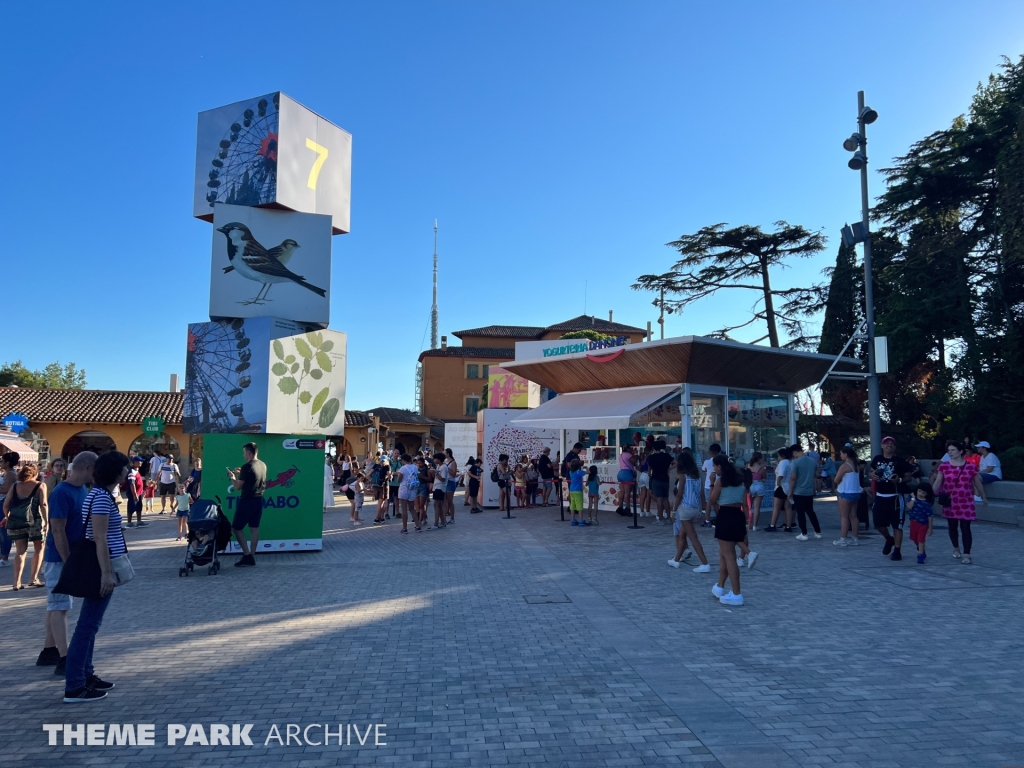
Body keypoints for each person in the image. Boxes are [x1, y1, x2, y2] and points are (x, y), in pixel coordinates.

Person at [62, 450, 129, 703]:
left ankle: (86, 675)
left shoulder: (100, 495)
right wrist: (106, 574)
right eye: (124, 467)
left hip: (101, 564)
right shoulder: (101, 497)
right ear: (115, 471)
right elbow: (98, 537)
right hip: (100, 566)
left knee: (91, 625)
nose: (128, 471)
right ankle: (75, 685)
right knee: (87, 626)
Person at [38, 451, 96, 675]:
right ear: (88, 468)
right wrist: (68, 560)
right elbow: (57, 529)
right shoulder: (62, 492)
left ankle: (49, 649)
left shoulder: (82, 490)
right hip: (58, 557)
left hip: (72, 555)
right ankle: (65, 657)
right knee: (60, 605)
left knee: (57, 604)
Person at [933, 440, 986, 564]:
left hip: (966, 501)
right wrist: (930, 494)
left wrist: (984, 497)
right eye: (949, 450)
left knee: (966, 527)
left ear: (960, 451)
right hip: (951, 501)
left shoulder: (970, 466)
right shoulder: (944, 466)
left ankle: (967, 553)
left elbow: (977, 483)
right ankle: (956, 547)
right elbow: (938, 482)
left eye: (952, 450)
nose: (950, 452)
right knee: (952, 526)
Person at [709, 455, 750, 606]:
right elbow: (744, 499)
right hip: (738, 514)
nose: (714, 469)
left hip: (725, 515)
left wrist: (712, 484)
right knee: (724, 555)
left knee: (729, 557)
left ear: (719, 466)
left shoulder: (721, 482)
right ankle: (720, 587)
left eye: (715, 466)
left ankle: (737, 593)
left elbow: (712, 500)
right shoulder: (740, 481)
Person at [2, 462, 49, 589]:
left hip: (17, 521)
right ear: (35, 473)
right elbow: (43, 504)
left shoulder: (15, 486)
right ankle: (33, 578)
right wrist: (46, 522)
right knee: (39, 548)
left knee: (20, 551)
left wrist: (8, 517)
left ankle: (16, 582)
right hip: (36, 521)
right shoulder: (40, 485)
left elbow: (6, 504)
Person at [870, 436, 913, 561]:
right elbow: (871, 472)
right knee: (878, 524)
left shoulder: (900, 461)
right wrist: (872, 475)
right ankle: (889, 539)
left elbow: (908, 476)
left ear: (895, 447)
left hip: (895, 497)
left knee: (897, 525)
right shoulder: (877, 459)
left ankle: (897, 550)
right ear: (882, 446)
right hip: (880, 496)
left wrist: (899, 479)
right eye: (886, 443)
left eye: (892, 444)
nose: (889, 445)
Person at [667, 451, 711, 573]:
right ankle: (676, 560)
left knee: (693, 537)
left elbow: (679, 494)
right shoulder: (697, 476)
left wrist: (674, 511)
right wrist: (703, 511)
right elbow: (702, 494)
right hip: (695, 507)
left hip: (685, 508)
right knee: (683, 534)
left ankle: (704, 563)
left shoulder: (682, 476)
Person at [227, 442, 266, 567]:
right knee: (254, 528)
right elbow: (252, 479)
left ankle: (246, 555)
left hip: (247, 501)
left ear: (249, 452)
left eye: (244, 452)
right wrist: (241, 473)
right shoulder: (262, 465)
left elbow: (238, 486)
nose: (244, 455)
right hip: (259, 500)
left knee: (236, 528)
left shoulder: (247, 467)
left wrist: (232, 477)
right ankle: (252, 555)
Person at [788, 444, 822, 541]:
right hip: (809, 491)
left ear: (795, 452)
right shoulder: (812, 461)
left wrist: (790, 491)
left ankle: (804, 533)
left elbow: (793, 478)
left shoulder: (795, 463)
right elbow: (816, 474)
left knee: (800, 513)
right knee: (811, 512)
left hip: (798, 491)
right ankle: (818, 532)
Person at [832, 446, 863, 547]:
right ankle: (855, 538)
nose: (840, 455)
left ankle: (843, 539)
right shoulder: (856, 465)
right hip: (856, 492)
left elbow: (836, 479)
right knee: (853, 516)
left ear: (846, 454)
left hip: (845, 492)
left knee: (844, 516)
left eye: (841, 453)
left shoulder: (845, 466)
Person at [765, 448, 794, 532]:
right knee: (788, 507)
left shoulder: (782, 463)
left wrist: (778, 484)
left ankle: (772, 525)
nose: (777, 457)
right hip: (788, 487)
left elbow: (780, 475)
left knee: (776, 507)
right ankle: (788, 526)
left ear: (782, 456)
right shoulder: (790, 463)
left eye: (778, 455)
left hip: (781, 487)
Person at [646, 440, 673, 524]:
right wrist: (669, 468)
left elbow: (649, 469)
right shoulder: (666, 456)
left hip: (656, 478)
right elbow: (676, 462)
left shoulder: (652, 457)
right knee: (666, 499)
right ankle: (668, 518)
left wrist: (650, 474)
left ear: (654, 448)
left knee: (659, 499)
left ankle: (660, 518)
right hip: (665, 478)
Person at [0, 451, 19, 567]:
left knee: (4, 531)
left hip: (4, 503)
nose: (1, 463)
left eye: (2, 461)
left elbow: (6, 489)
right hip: (3, 502)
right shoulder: (7, 473)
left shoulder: (10, 474)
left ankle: (5, 557)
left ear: (7, 463)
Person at [907, 484, 935, 564]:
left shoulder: (927, 504)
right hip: (913, 522)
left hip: (923, 524)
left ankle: (920, 555)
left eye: (923, 492)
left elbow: (930, 516)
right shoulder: (913, 500)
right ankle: (921, 549)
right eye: (919, 491)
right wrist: (913, 498)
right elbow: (909, 507)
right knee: (915, 539)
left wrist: (930, 528)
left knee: (921, 539)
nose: (920, 493)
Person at [396, 453, 420, 533]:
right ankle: (417, 526)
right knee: (412, 508)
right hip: (412, 489)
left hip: (404, 488)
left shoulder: (403, 468)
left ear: (403, 460)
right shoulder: (415, 467)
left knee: (404, 509)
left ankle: (405, 528)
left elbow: (399, 479)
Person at [700, 444, 721, 527]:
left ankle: (707, 520)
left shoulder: (707, 462)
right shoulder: (722, 461)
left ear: (710, 452)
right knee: (716, 504)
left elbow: (703, 469)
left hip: (708, 485)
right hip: (718, 485)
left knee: (708, 503)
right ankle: (719, 519)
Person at [746, 453, 766, 531]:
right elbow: (764, 479)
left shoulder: (747, 466)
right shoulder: (761, 469)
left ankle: (748, 524)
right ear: (760, 459)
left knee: (748, 506)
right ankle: (755, 526)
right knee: (757, 507)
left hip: (750, 486)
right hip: (759, 486)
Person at [124, 456, 146, 529]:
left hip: (139, 493)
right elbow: (132, 484)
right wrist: (135, 494)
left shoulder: (137, 470)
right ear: (134, 462)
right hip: (133, 494)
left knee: (139, 507)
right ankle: (129, 523)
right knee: (131, 507)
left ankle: (139, 521)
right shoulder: (131, 472)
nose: (141, 463)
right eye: (139, 461)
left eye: (141, 461)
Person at [615, 444, 636, 514]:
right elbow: (634, 461)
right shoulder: (628, 455)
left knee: (622, 492)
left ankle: (620, 507)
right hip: (627, 474)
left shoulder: (620, 455)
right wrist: (635, 455)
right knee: (627, 492)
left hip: (620, 473)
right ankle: (627, 508)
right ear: (627, 449)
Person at [568, 459, 587, 526]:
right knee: (579, 506)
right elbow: (588, 472)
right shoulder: (579, 472)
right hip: (578, 490)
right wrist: (586, 468)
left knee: (572, 505)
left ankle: (573, 520)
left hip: (572, 490)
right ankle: (581, 520)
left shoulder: (571, 472)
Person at [443, 448, 458, 523]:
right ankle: (445, 516)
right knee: (445, 501)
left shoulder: (453, 462)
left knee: (450, 501)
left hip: (451, 482)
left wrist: (447, 469)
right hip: (445, 482)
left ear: (448, 453)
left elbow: (454, 474)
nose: (443, 454)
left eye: (444, 453)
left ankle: (452, 518)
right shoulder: (445, 461)